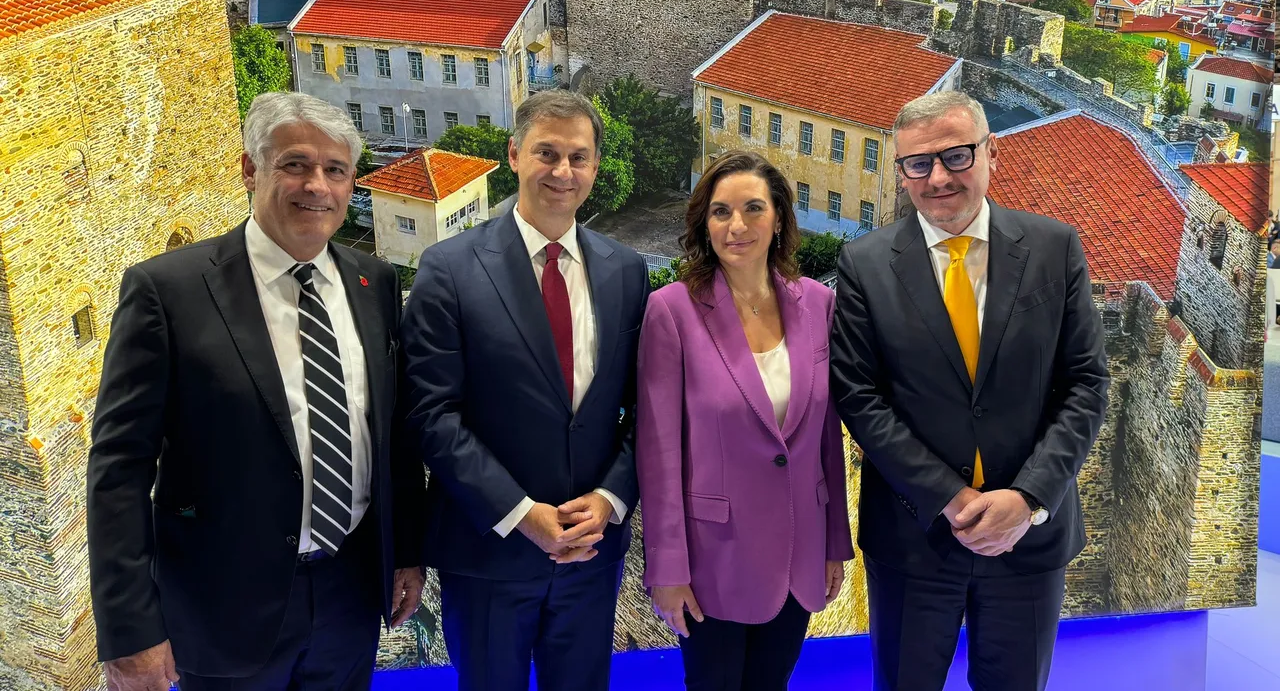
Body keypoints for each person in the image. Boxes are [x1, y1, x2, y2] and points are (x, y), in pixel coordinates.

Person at [87, 92, 427, 691]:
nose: (317, 185)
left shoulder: (372, 282)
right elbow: (118, 469)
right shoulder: (168, 292)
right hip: (225, 606)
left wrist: (405, 552)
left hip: (350, 591)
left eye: (335, 169)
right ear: (251, 169)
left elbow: (392, 434)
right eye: (295, 164)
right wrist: (130, 628)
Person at [830, 91, 1109, 691]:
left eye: (956, 156)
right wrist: (950, 497)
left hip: (1028, 539)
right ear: (900, 171)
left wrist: (1028, 499)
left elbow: (1085, 383)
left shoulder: (1054, 249)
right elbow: (859, 396)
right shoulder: (865, 264)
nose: (938, 178)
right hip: (914, 537)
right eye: (918, 163)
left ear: (991, 152)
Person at [401, 89, 651, 691]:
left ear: (595, 167)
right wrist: (520, 514)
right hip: (488, 553)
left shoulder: (626, 270)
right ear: (514, 154)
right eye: (547, 153)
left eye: (578, 157)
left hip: (592, 553)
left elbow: (648, 409)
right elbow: (432, 414)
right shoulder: (449, 268)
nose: (563, 171)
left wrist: (611, 498)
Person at [636, 151, 854, 691]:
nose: (737, 225)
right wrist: (667, 568)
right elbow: (659, 454)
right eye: (721, 212)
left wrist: (834, 543)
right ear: (704, 225)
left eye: (753, 208)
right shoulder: (672, 311)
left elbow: (826, 437)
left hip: (800, 551)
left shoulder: (818, 304)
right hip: (713, 558)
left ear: (778, 219)